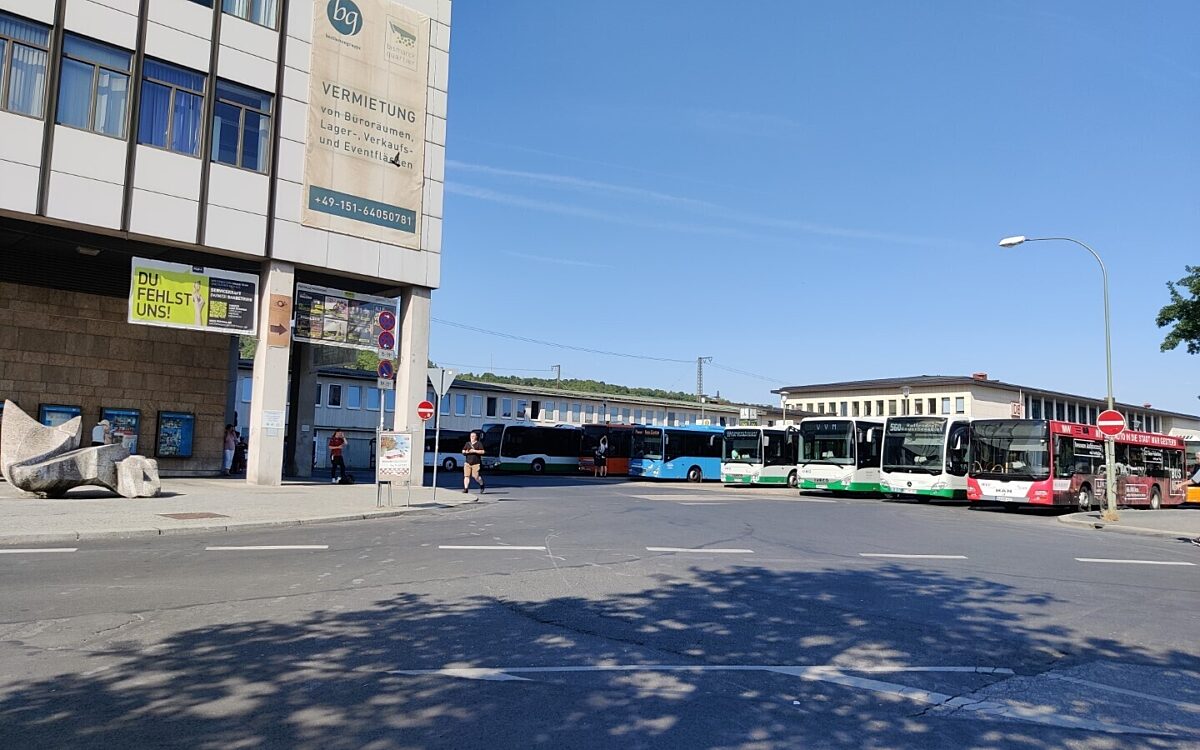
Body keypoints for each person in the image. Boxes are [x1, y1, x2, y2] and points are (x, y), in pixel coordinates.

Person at [462, 431, 486, 497]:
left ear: (476, 437)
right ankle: (466, 489)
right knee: (466, 476)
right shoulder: (467, 444)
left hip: (476, 463)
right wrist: (466, 452)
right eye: (471, 436)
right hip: (467, 463)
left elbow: (483, 451)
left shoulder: (479, 443)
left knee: (476, 477)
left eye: (473, 436)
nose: (472, 437)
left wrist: (474, 451)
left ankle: (481, 484)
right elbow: (463, 451)